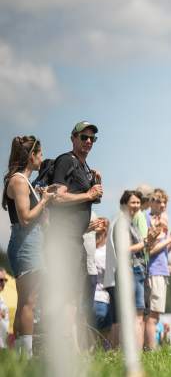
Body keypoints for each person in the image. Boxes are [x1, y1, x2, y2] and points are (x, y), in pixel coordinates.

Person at [4, 135, 57, 356]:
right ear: (31, 156)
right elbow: (25, 217)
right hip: (25, 245)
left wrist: (44, 200)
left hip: (32, 244)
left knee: (28, 301)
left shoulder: (26, 183)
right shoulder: (18, 180)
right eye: (40, 154)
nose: (42, 159)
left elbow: (38, 220)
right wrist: (44, 201)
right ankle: (26, 356)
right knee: (28, 303)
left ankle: (20, 354)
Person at [45, 122, 104, 315]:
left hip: (76, 239)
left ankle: (72, 344)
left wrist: (95, 186)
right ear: (73, 138)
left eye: (92, 138)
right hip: (63, 238)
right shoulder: (66, 160)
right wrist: (88, 195)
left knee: (74, 295)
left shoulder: (83, 165)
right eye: (84, 137)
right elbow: (58, 196)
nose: (88, 141)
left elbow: (93, 200)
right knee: (65, 294)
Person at [110, 190, 154, 351]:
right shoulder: (122, 223)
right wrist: (144, 243)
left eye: (137, 202)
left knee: (137, 316)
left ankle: (133, 352)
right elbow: (123, 249)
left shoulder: (131, 223)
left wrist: (148, 241)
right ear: (124, 204)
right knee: (137, 316)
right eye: (132, 202)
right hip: (131, 270)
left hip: (137, 269)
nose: (136, 205)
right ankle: (134, 353)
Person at [144, 189, 171, 350]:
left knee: (155, 314)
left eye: (165, 202)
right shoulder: (148, 220)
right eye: (158, 201)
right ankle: (151, 350)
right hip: (153, 271)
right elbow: (149, 250)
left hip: (161, 270)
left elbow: (163, 250)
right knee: (152, 315)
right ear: (150, 202)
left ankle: (150, 348)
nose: (162, 205)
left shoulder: (161, 221)